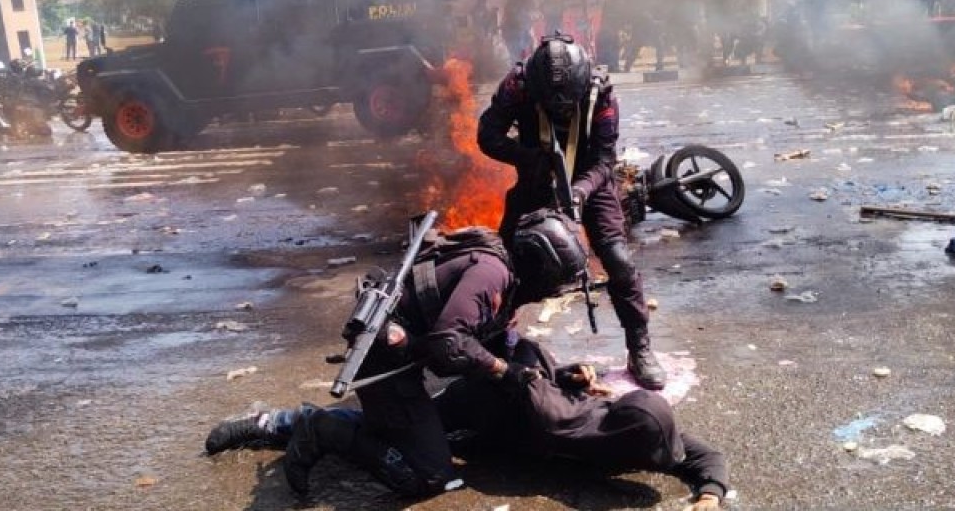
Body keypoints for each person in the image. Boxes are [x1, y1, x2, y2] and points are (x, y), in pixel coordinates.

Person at [206, 211, 590, 499]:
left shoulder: (506, 280)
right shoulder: (491, 273)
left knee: (430, 426)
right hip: (384, 357)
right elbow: (449, 346)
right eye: (557, 281)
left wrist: (549, 375)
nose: (554, 292)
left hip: (406, 352)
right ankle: (321, 430)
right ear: (541, 269)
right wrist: (504, 370)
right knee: (427, 476)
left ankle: (278, 423)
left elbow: (501, 343)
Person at [206, 336, 729, 509]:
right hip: (473, 408)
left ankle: (310, 423)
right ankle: (290, 423)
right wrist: (550, 377)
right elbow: (521, 366)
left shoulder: (643, 432)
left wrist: (709, 492)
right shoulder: (558, 418)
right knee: (408, 457)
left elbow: (700, 456)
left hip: (494, 424)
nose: (656, 465)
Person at [477, 35, 666, 390]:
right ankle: (494, 344)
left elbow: (605, 160)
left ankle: (639, 349)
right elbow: (487, 135)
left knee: (619, 260)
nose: (561, 110)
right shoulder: (517, 85)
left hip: (589, 182)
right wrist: (529, 158)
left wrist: (579, 192)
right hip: (535, 180)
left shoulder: (602, 92)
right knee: (503, 265)